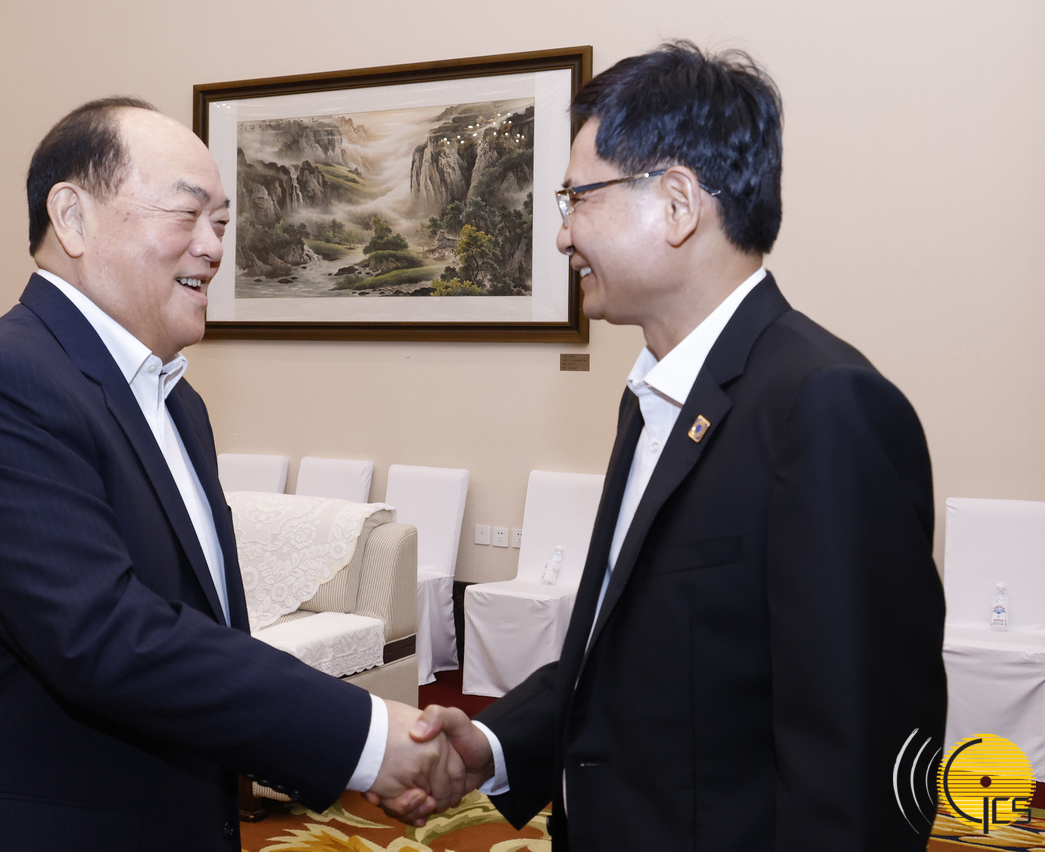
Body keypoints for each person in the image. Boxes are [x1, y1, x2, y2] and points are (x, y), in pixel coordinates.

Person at [379, 42, 947, 850]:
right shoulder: (657, 395)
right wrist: (495, 743)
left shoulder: (824, 408)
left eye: (578, 199)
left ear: (678, 203)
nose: (563, 236)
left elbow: (857, 751)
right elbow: (630, 649)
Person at [0, 97, 463, 852]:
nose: (213, 248)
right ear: (73, 218)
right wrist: (370, 740)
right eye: (187, 215)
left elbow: (198, 631)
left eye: (221, 222)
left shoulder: (177, 402)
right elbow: (105, 635)